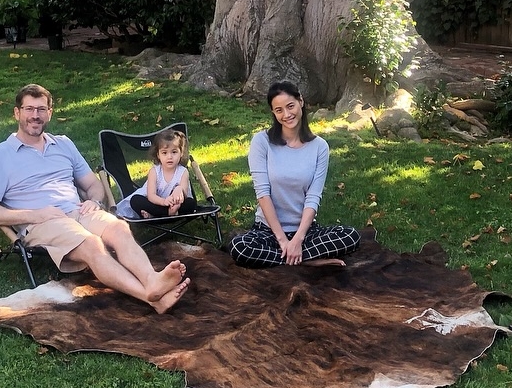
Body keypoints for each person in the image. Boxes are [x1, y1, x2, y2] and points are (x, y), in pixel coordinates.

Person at [0, 83, 189, 312]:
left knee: (118, 228)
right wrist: (35, 215)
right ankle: (151, 298)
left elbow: (93, 185)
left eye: (41, 109)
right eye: (29, 109)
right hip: (41, 222)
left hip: (78, 211)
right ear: (17, 113)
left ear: (50, 113)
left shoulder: (63, 144)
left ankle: (152, 280)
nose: (35, 115)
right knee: (92, 244)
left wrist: (93, 201)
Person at [228, 79, 361, 268]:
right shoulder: (261, 141)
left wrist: (298, 239)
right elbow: (263, 194)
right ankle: (308, 261)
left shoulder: (320, 147)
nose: (286, 114)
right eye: (279, 110)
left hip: (305, 232)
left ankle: (291, 258)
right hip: (268, 231)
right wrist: (283, 241)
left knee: (350, 236)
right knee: (240, 247)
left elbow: (313, 198)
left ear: (301, 101)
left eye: (290, 106)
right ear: (273, 113)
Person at [116, 128, 200, 220]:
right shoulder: (154, 171)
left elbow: (184, 192)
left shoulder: (183, 171)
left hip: (175, 205)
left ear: (181, 153)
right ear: (158, 155)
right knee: (135, 200)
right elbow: (151, 196)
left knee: (190, 203)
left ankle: (158, 214)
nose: (169, 156)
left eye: (174, 152)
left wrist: (179, 190)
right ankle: (168, 213)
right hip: (156, 203)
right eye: (164, 153)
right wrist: (164, 202)